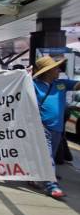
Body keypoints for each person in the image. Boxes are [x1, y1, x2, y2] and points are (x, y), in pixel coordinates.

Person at [32, 56, 80, 198]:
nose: (58, 70)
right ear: (47, 71)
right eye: (55, 68)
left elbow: (78, 85)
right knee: (47, 157)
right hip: (42, 127)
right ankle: (51, 186)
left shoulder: (62, 84)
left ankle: (36, 177)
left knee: (49, 155)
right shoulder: (33, 85)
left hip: (57, 128)